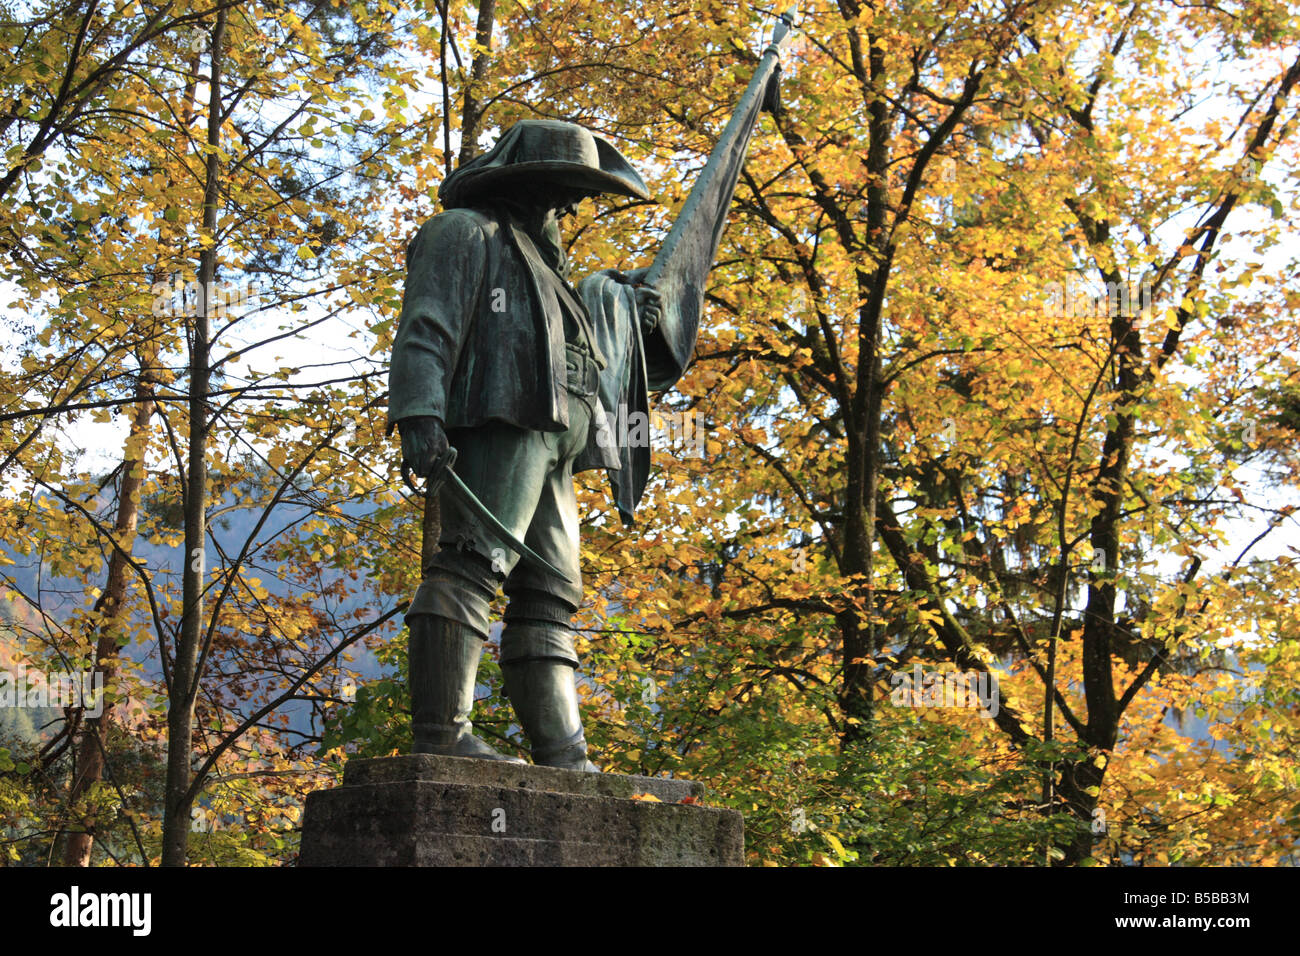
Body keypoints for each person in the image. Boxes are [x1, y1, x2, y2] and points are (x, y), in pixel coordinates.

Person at [388, 120, 674, 771]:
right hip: (499, 423)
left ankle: (563, 753)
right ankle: (441, 734)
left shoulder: (551, 269)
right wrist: (420, 416)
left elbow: (591, 358)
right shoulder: (463, 234)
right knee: (472, 563)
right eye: (563, 185)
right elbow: (425, 327)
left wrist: (623, 310)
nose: (571, 203)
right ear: (525, 176)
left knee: (551, 593)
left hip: (558, 444)